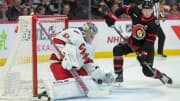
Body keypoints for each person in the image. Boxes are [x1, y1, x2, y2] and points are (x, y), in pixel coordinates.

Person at [104, 0, 172, 85]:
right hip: (133, 42)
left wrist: (143, 53)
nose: (147, 13)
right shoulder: (135, 11)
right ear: (141, 9)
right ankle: (118, 75)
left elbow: (150, 41)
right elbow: (121, 9)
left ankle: (161, 75)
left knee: (147, 71)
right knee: (117, 49)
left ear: (152, 10)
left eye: (149, 10)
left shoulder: (155, 23)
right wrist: (113, 18)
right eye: (145, 10)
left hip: (147, 48)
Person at [48, 22, 115, 99]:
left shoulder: (90, 47)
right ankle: (47, 93)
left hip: (75, 68)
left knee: (88, 82)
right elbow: (56, 41)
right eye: (91, 33)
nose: (93, 36)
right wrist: (65, 57)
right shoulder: (74, 32)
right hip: (59, 64)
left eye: (94, 34)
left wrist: (99, 73)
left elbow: (88, 63)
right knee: (68, 88)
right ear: (86, 31)